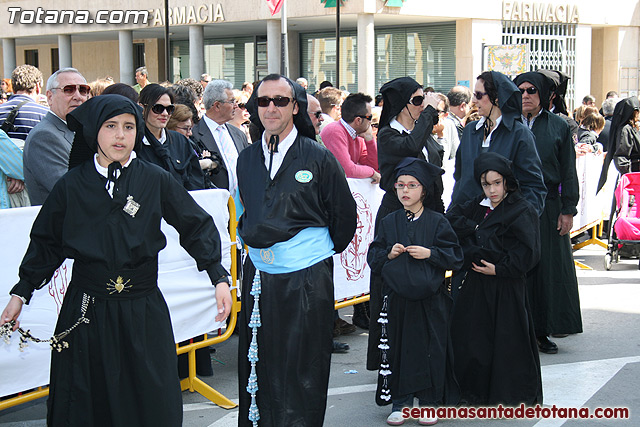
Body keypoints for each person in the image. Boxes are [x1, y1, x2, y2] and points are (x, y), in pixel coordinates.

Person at [0, 94, 232, 426]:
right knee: (87, 400)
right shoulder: (72, 185)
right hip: (87, 309)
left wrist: (218, 276)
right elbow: (46, 244)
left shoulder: (154, 179)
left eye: (128, 126)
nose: (121, 136)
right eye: (111, 127)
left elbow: (195, 225)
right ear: (95, 131)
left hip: (142, 309)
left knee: (148, 399)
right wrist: (20, 293)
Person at [236, 74, 357, 426]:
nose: (271, 108)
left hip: (306, 278)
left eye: (280, 101)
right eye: (263, 101)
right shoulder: (246, 159)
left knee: (302, 365)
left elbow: (343, 215)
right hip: (259, 276)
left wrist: (310, 253)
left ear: (295, 107)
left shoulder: (317, 157)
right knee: (260, 361)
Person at [368, 157, 463, 426]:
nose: (405, 191)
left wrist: (431, 253)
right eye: (400, 185)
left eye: (412, 185)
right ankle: (400, 402)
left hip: (431, 300)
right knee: (398, 349)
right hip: (397, 300)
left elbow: (455, 256)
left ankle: (430, 402)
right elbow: (373, 256)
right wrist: (389, 253)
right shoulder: (389, 221)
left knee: (430, 348)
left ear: (424, 190)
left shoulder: (438, 222)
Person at [447, 152, 542, 406]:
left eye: (497, 183)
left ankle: (507, 395)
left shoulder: (522, 209)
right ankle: (473, 391)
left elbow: (528, 253)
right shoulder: (477, 206)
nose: (492, 190)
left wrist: (499, 269)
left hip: (506, 287)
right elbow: (453, 225)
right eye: (486, 184)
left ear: (507, 181)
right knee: (472, 340)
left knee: (506, 344)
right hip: (477, 284)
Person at [366, 76, 442, 372]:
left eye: (425, 100)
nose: (423, 106)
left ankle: (425, 352)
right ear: (401, 105)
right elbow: (411, 147)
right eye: (418, 100)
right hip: (396, 216)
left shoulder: (420, 132)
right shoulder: (388, 135)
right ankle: (392, 356)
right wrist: (431, 113)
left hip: (429, 213)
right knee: (395, 283)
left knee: (429, 280)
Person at [514, 71, 581, 354]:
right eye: (520, 91)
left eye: (531, 90)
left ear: (544, 94)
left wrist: (568, 209)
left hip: (548, 205)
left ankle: (542, 330)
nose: (525, 96)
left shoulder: (558, 126)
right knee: (516, 268)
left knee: (546, 269)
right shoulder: (506, 124)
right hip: (513, 206)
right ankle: (516, 330)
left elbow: (568, 170)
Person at [450, 71, 546, 216]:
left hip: (502, 225)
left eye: (479, 95)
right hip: (466, 222)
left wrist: (521, 222)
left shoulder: (519, 134)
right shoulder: (470, 130)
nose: (474, 101)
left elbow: (533, 186)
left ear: (496, 98)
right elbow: (460, 177)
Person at [23, 67, 90, 205]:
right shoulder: (44, 136)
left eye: (83, 90)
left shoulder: (81, 130)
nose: (78, 96)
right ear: (49, 97)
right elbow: (70, 191)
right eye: (68, 90)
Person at [137, 84, 205, 190]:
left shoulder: (180, 140)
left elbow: (195, 179)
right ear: (142, 108)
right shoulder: (134, 144)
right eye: (158, 108)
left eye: (169, 109)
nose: (165, 114)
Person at [191, 80, 249, 194]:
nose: (236, 106)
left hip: (242, 207)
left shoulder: (238, 134)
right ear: (217, 105)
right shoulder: (194, 135)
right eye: (232, 102)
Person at [597, 97, 640, 192]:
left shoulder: (632, 128)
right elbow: (622, 157)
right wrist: (630, 178)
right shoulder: (625, 130)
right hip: (633, 178)